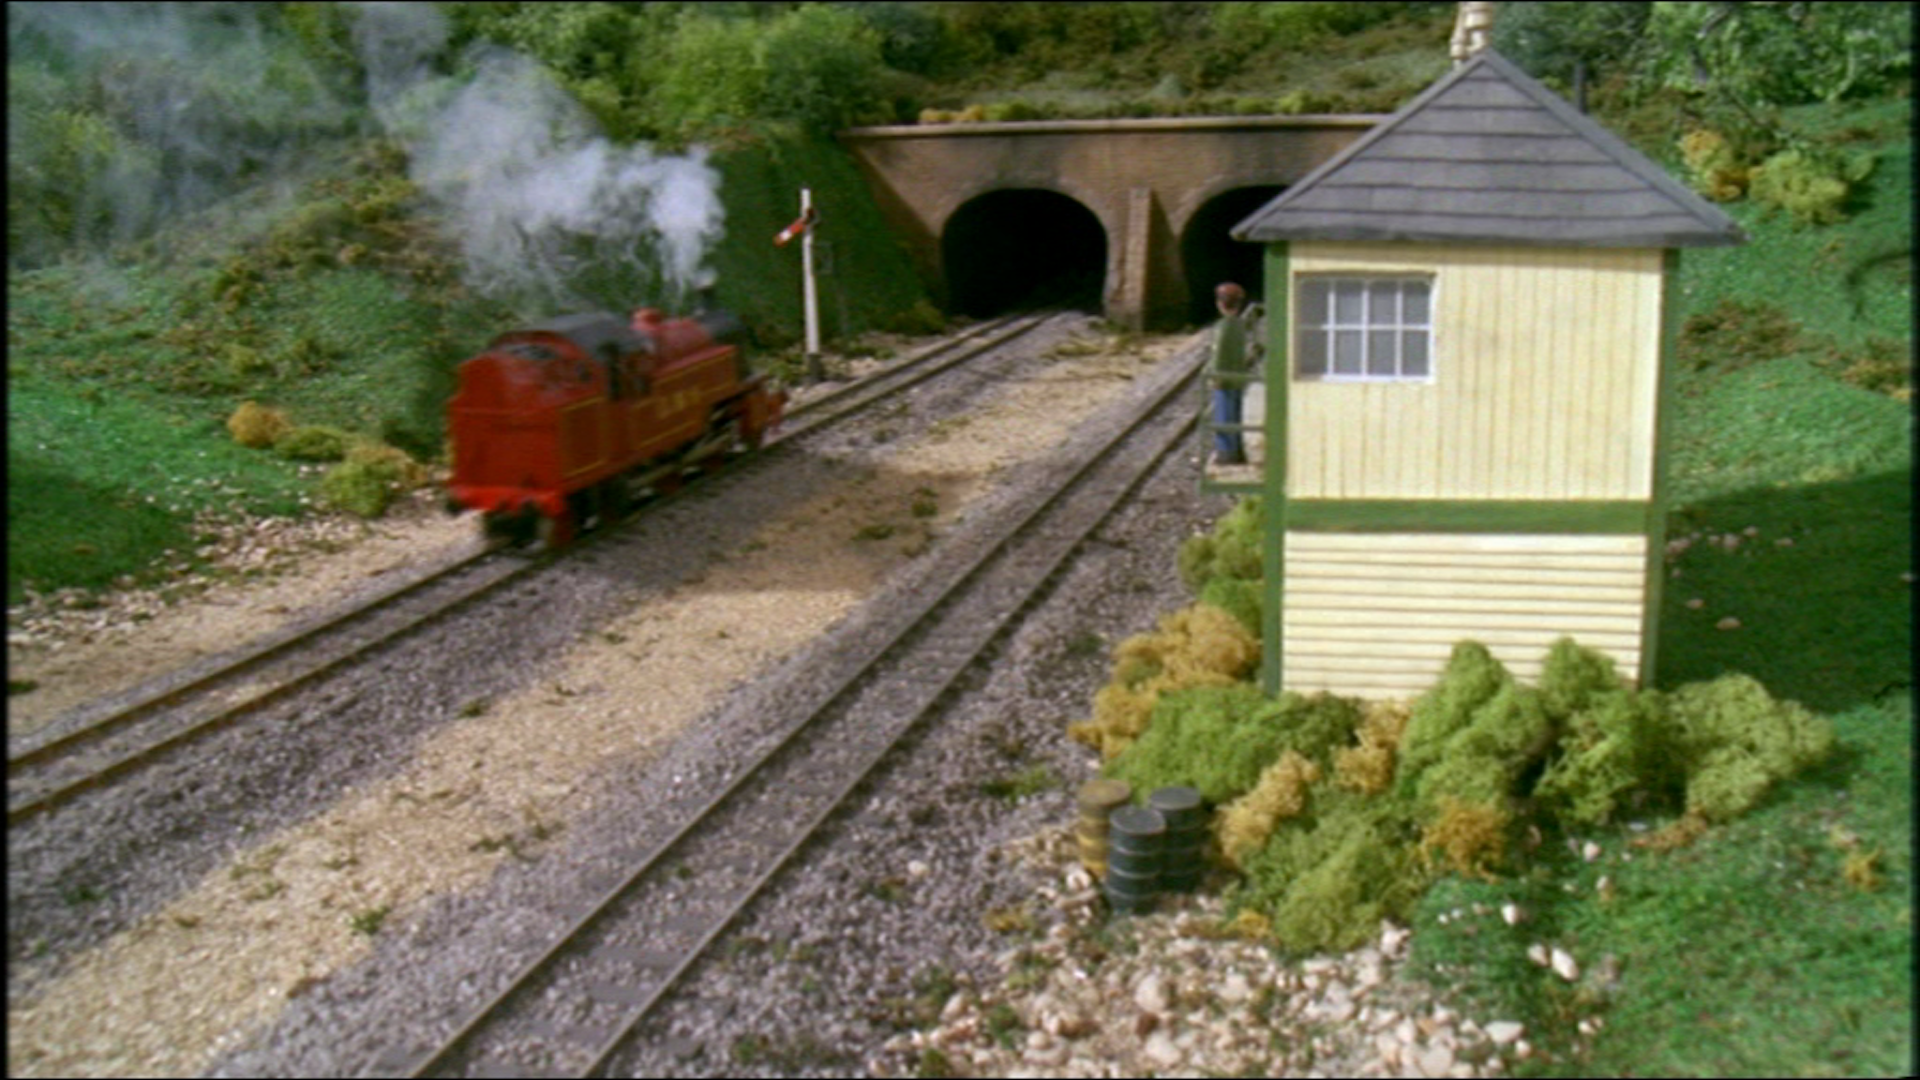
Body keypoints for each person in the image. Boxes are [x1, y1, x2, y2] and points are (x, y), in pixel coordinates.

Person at [1209, 281, 1260, 466]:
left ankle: (1225, 453)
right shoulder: (1240, 325)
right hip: (1238, 377)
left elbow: (1218, 353)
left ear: (1220, 303)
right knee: (1235, 413)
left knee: (1223, 415)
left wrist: (1215, 376)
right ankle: (1236, 450)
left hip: (1224, 378)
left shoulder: (1222, 326)